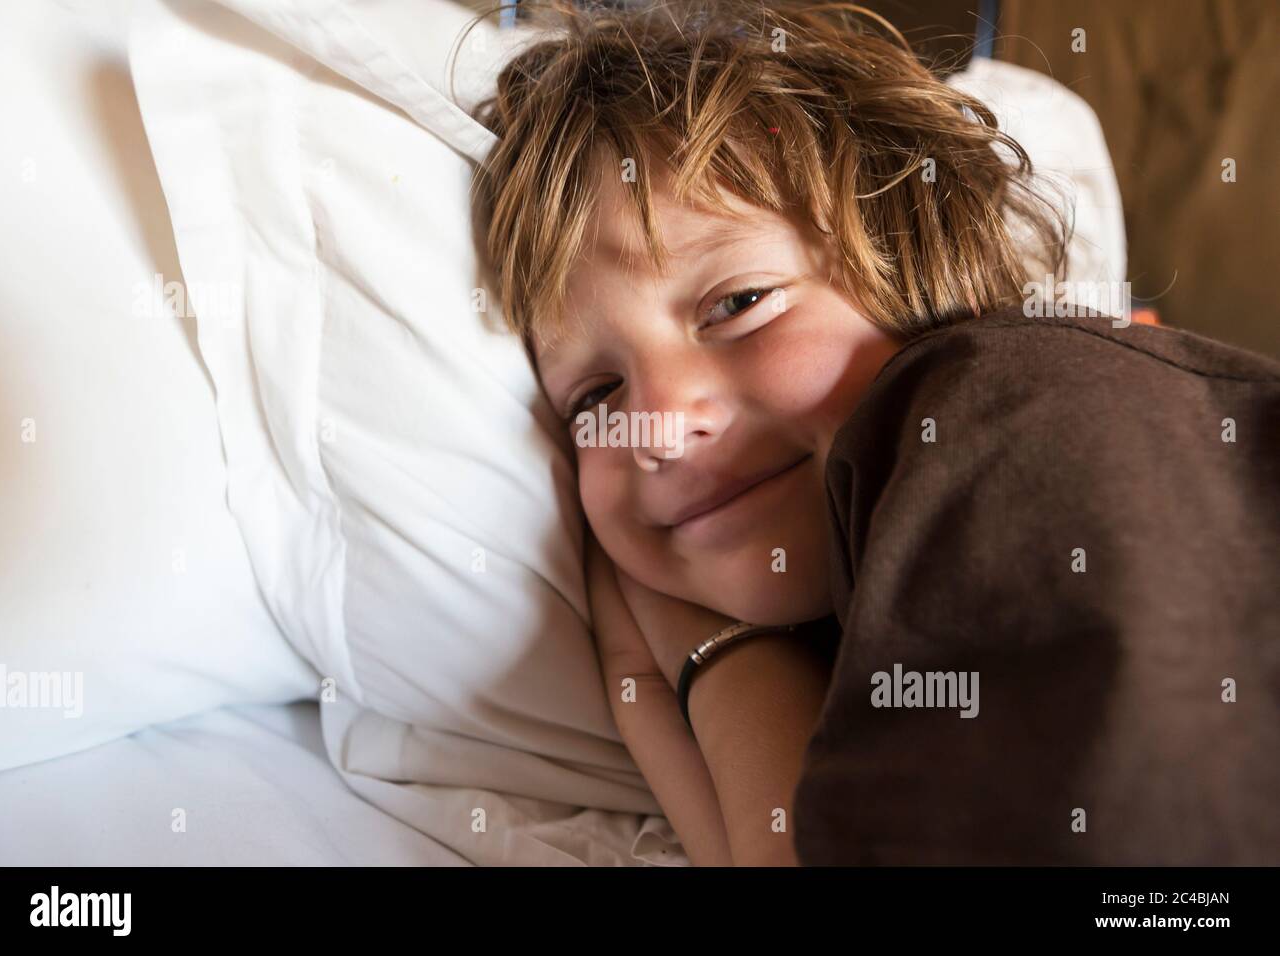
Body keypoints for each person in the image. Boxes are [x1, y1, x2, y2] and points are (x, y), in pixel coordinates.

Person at [468, 0, 1280, 866]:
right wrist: (690, 652)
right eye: (595, 395)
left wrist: (713, 660)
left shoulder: (1019, 405)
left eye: (740, 304)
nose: (659, 428)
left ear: (922, 257)